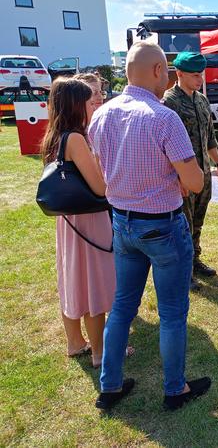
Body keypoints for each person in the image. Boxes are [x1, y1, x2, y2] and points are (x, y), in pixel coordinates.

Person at [88, 41, 210, 411]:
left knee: (123, 306)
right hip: (162, 225)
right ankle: (175, 389)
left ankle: (109, 385)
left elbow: (102, 171)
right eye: (168, 71)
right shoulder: (163, 118)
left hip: (123, 222)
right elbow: (195, 182)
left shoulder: (101, 115)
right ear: (159, 71)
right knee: (172, 312)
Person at [40, 78, 119, 369]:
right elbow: (100, 187)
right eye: (89, 102)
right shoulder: (75, 138)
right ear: (77, 106)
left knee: (73, 280)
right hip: (89, 220)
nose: (94, 106)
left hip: (70, 221)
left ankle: (75, 342)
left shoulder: (55, 134)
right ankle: (100, 352)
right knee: (94, 285)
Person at [162, 52, 218, 290]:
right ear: (179, 74)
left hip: (203, 172)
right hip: (183, 176)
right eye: (194, 75)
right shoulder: (168, 102)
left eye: (201, 74)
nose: (200, 79)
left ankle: (195, 259)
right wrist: (176, 176)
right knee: (183, 224)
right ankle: (184, 271)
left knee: (197, 221)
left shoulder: (202, 100)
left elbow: (209, 136)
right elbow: (163, 145)